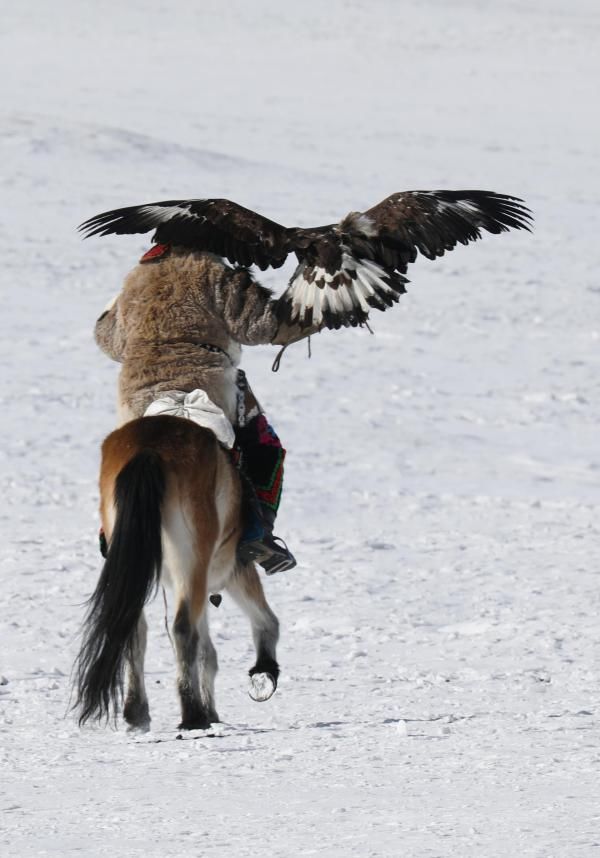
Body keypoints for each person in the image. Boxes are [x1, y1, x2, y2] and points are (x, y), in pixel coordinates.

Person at [94, 243, 304, 574]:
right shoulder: (216, 274)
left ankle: (112, 530)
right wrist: (314, 307)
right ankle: (256, 533)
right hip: (205, 383)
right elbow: (263, 327)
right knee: (264, 446)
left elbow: (110, 342)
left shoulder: (136, 279)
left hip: (138, 390)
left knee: (126, 451)